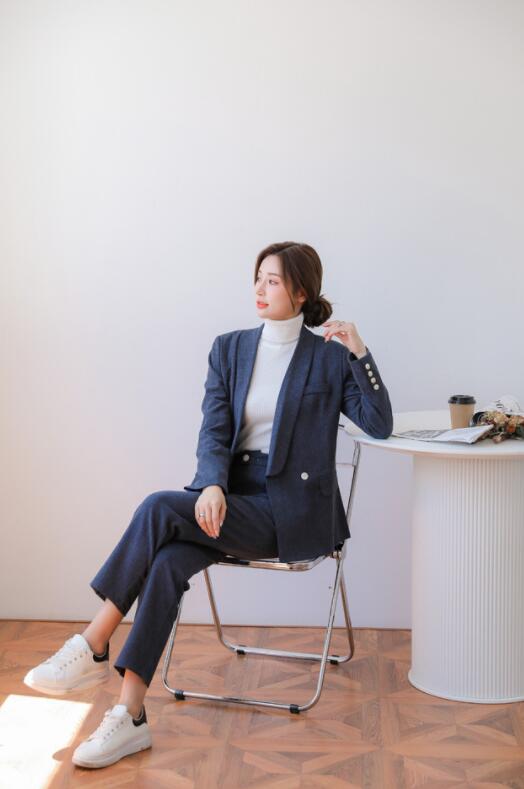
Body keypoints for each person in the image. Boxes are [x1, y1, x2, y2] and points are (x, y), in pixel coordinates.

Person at [23, 241, 393, 769]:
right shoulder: (229, 348)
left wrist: (360, 352)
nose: (260, 288)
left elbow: (379, 424)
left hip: (286, 514)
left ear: (300, 293)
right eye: (258, 277)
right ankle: (130, 715)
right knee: (169, 560)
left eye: (272, 280)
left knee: (158, 507)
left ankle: (94, 642)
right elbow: (213, 431)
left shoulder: (330, 358)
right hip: (229, 501)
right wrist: (212, 485)